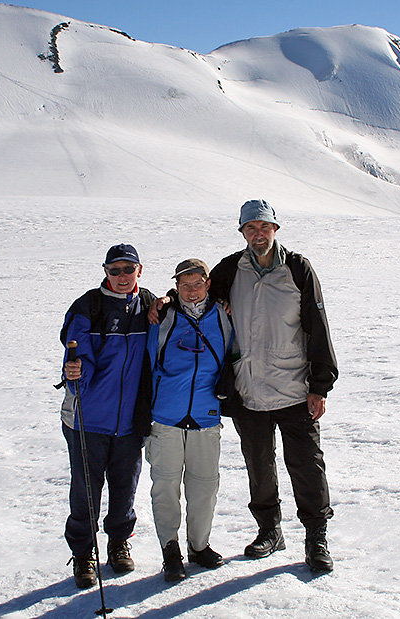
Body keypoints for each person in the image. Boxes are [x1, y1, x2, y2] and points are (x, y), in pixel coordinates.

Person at [208, 200, 338, 573]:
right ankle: (270, 531)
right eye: (250, 228)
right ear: (242, 233)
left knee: (307, 464)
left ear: (276, 229)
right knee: (258, 465)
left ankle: (316, 537)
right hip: (248, 388)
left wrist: (320, 385)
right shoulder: (231, 269)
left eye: (264, 227)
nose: (258, 234)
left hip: (295, 387)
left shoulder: (297, 268)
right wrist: (167, 301)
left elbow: (318, 325)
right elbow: (196, 293)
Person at [59, 243, 155, 589]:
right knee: (85, 489)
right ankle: (84, 552)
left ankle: (117, 542)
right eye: (114, 270)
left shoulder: (148, 305)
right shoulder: (89, 307)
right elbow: (76, 353)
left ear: (139, 271)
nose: (122, 277)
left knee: (125, 486)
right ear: (105, 272)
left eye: (128, 270)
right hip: (88, 418)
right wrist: (75, 372)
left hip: (130, 420)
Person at [145, 259, 234, 582]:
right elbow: (145, 361)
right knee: (165, 486)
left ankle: (199, 545)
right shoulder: (163, 316)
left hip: (206, 416)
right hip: (165, 416)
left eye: (198, 284)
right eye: (185, 285)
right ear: (176, 286)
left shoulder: (224, 316)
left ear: (208, 284)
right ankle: (170, 548)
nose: (192, 291)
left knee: (204, 486)